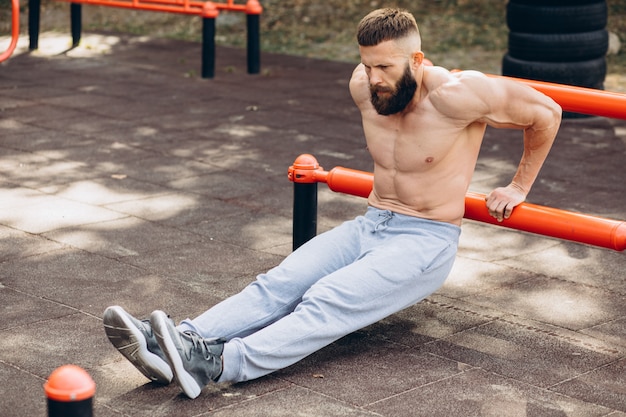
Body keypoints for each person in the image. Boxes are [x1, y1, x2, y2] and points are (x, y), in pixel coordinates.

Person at [103, 8, 561, 399]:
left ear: (417, 59)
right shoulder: (363, 86)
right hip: (372, 223)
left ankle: (217, 364)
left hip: (425, 239)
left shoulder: (460, 95)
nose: (374, 78)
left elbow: (546, 113)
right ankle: (176, 344)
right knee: (278, 283)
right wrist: (371, 75)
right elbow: (373, 90)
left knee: (326, 299)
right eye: (367, 65)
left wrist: (517, 188)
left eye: (385, 67)